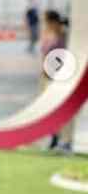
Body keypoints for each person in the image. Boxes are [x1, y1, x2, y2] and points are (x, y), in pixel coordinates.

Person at [40, 10, 75, 152]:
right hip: (47, 78)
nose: (44, 24)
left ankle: (66, 141)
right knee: (50, 110)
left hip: (61, 78)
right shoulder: (49, 36)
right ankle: (54, 137)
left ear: (53, 22)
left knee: (65, 110)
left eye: (46, 21)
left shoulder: (65, 37)